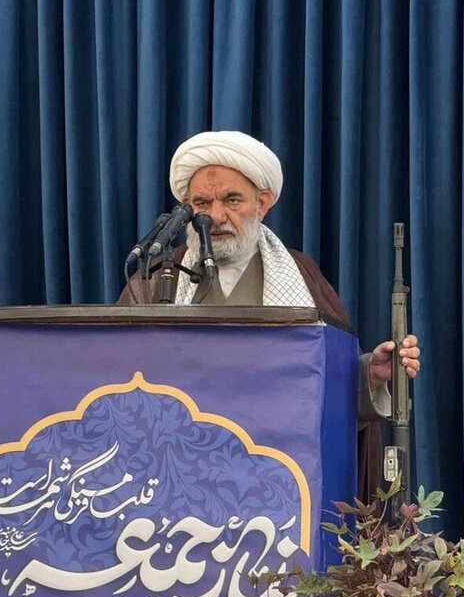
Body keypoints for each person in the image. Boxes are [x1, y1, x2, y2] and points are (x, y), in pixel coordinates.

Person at [119, 130, 421, 500]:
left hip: (276, 476)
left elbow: (325, 388)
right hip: (175, 478)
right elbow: (118, 389)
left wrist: (368, 377)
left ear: (263, 203)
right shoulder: (155, 280)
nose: (216, 216)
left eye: (232, 199)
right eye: (202, 203)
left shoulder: (302, 277)